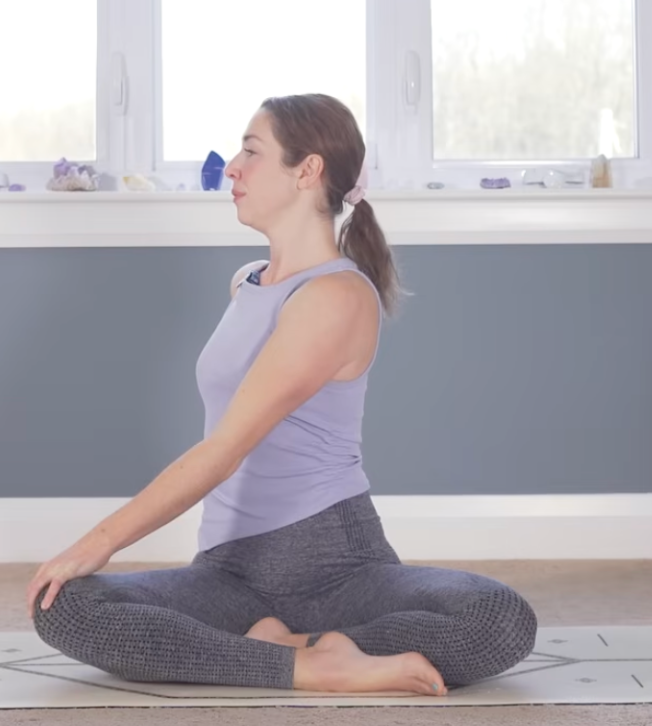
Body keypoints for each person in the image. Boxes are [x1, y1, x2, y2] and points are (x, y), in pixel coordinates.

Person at [26, 94, 537, 696]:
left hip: (340, 567)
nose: (232, 169)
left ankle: (284, 655)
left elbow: (225, 450)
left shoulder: (337, 296)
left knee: (499, 618)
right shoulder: (247, 283)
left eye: (250, 152)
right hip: (229, 572)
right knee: (61, 606)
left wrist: (95, 545)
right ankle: (313, 661)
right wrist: (77, 568)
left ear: (308, 170)